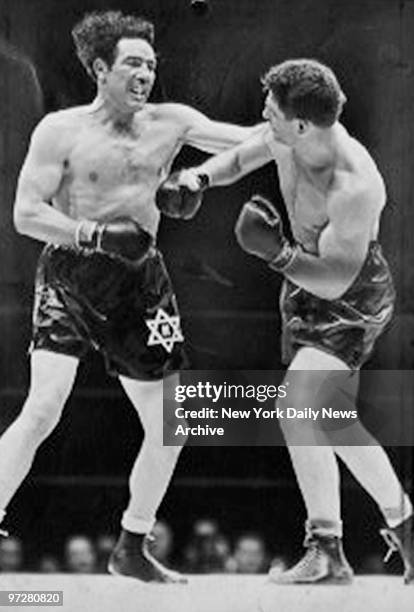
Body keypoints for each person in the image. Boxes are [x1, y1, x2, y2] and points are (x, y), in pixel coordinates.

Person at [0, 10, 262, 583]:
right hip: (71, 273)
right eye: (132, 64)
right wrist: (93, 233)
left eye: (150, 63)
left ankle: (131, 546)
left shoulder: (172, 122)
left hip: (141, 282)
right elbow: (25, 214)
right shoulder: (60, 130)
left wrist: (199, 177)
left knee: (174, 424)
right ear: (100, 69)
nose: (145, 74)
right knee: (43, 409)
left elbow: (262, 142)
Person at [161, 59, 414, 584]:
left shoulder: (355, 184)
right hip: (302, 281)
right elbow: (237, 159)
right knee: (331, 420)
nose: (262, 117)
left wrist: (276, 254)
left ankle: (328, 548)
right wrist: (197, 178)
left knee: (297, 405)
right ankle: (389, 532)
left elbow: (338, 280)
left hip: (351, 296)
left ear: (302, 125)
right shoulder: (287, 136)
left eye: (271, 112)